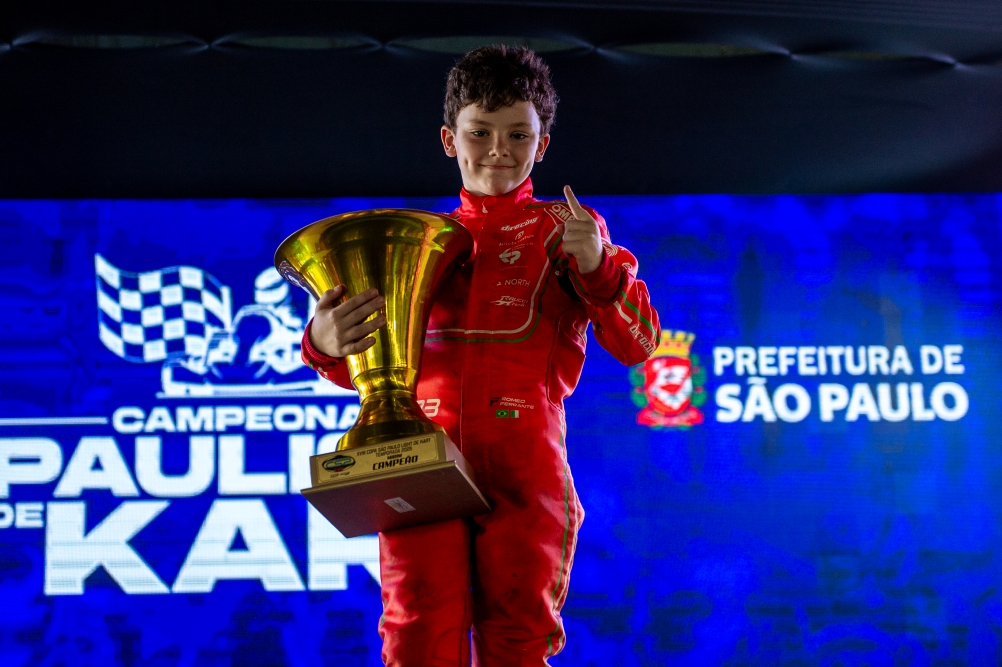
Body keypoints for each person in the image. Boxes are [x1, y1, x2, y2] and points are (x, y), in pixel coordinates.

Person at [301, 45, 660, 667]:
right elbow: (371, 373)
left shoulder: (569, 229)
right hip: (419, 457)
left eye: (519, 134)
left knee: (520, 642)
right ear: (449, 139)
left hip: (527, 469)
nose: (499, 149)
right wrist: (324, 344)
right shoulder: (410, 240)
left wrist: (599, 267)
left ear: (542, 145)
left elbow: (639, 344)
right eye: (480, 132)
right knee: (415, 639)